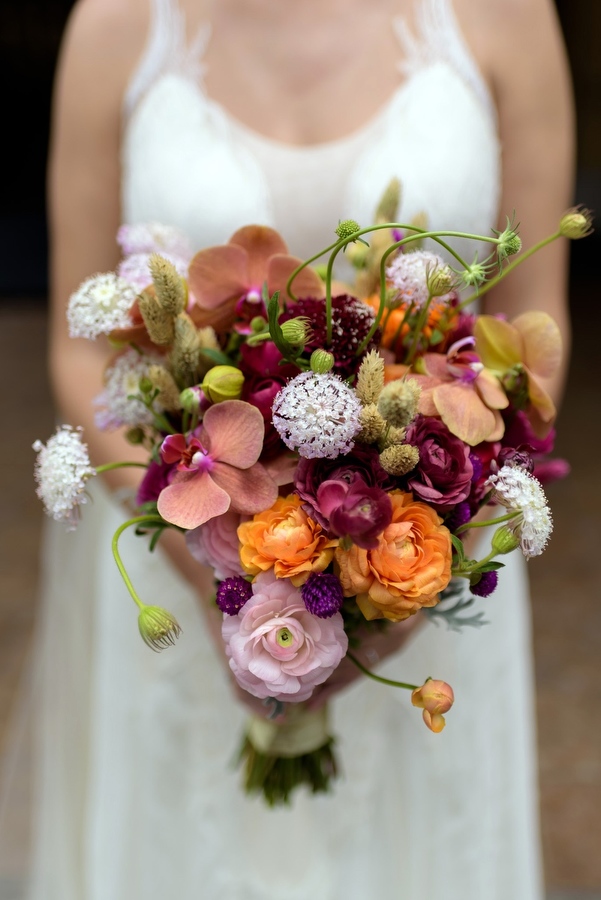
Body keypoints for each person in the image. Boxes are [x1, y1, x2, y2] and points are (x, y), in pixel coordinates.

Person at [5, 0, 575, 897]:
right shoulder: (116, 24)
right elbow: (83, 345)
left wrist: (398, 587)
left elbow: (533, 334)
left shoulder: (507, 19)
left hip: (421, 558)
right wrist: (227, 580)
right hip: (180, 549)